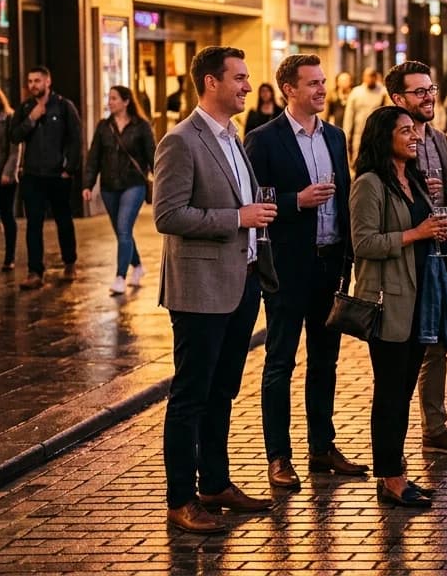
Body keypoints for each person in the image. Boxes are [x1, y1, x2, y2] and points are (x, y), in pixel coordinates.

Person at [154, 46, 279, 533]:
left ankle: (216, 483)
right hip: (201, 287)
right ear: (210, 82)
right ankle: (181, 498)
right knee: (191, 395)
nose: (249, 86)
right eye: (240, 78)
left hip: (243, 282)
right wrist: (238, 218)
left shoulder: (234, 137)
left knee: (222, 391)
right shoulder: (181, 140)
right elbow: (168, 214)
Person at [244, 54, 365, 493]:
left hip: (329, 262)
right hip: (287, 266)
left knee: (325, 360)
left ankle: (322, 446)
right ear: (288, 89)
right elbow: (257, 202)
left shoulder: (334, 136)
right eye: (312, 83)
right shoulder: (263, 140)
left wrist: (349, 257)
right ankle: (279, 456)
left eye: (323, 82)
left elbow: (347, 196)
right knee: (280, 361)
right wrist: (299, 201)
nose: (321, 90)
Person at [351, 106, 447, 509]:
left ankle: (399, 472)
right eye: (405, 130)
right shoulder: (369, 184)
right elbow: (364, 243)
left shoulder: (413, 180)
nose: (414, 136)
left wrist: (434, 227)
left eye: (415, 130)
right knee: (390, 395)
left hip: (420, 302)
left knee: (404, 392)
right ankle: (390, 479)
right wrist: (416, 232)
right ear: (383, 136)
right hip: (389, 302)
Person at [381, 60, 447, 456]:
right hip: (405, 253)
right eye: (419, 92)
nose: (429, 97)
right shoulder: (385, 140)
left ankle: (434, 427)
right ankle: (392, 445)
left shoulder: (437, 138)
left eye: (431, 88)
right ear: (398, 98)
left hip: (436, 250)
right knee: (404, 353)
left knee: (436, 343)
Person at [10, 67, 83, 289]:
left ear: (48, 81)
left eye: (37, 81)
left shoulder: (63, 106)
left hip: (57, 176)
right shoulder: (25, 108)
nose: (33, 85)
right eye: (30, 81)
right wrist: (31, 119)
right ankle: (35, 272)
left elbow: (75, 139)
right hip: (33, 176)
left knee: (63, 220)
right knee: (33, 224)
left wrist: (68, 169)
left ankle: (70, 263)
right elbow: (14, 136)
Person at [82, 86, 155, 295]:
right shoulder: (104, 127)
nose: (110, 102)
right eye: (109, 98)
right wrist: (88, 185)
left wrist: (163, 180)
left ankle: (120, 277)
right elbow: (93, 157)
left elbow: (153, 154)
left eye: (114, 98)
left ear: (126, 101)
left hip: (134, 184)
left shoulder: (141, 126)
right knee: (122, 232)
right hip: (108, 186)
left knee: (123, 228)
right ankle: (138, 266)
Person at [343, 67, 388, 163]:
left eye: (372, 76)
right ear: (363, 77)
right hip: (359, 134)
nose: (370, 79)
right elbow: (349, 115)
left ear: (376, 77)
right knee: (358, 159)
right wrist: (346, 135)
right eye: (368, 76)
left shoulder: (383, 92)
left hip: (377, 133)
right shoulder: (356, 92)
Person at [0, 89, 16, 272]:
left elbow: (15, 149)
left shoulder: (9, 118)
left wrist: (8, 172)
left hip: (4, 176)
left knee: (7, 215)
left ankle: (9, 257)